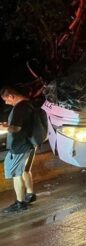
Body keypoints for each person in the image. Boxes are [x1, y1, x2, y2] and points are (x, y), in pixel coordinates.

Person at [1, 85, 38, 213]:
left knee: (16, 173)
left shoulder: (19, 108)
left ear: (11, 96)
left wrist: (4, 128)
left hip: (20, 145)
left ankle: (20, 203)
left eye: (6, 99)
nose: (6, 102)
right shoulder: (28, 104)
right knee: (24, 170)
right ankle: (30, 194)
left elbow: (16, 129)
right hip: (30, 143)